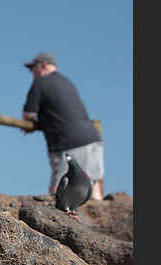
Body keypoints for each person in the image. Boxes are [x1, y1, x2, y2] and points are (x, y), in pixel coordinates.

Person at [21, 52, 104, 200]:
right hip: (92, 139)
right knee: (93, 190)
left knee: (59, 191)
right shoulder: (67, 82)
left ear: (43, 65)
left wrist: (30, 125)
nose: (31, 72)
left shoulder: (41, 82)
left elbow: (28, 114)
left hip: (68, 144)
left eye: (33, 68)